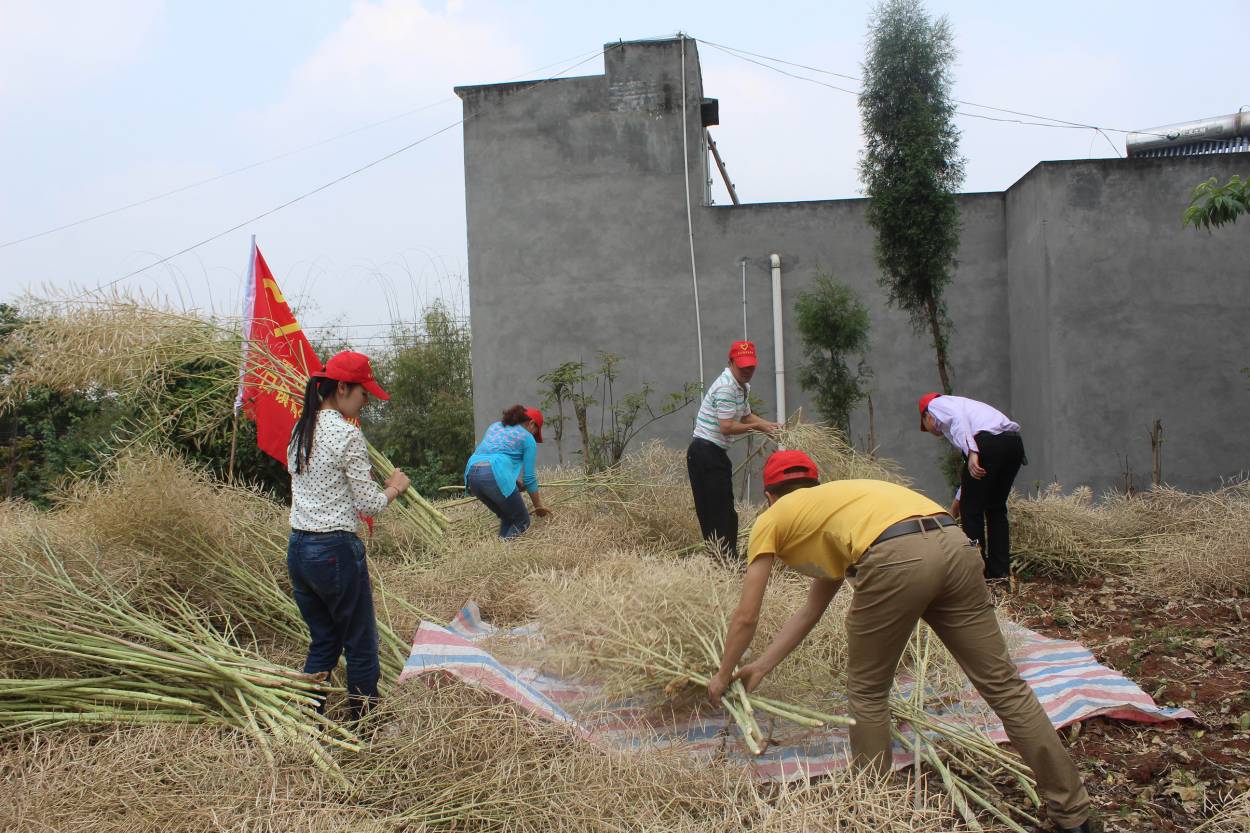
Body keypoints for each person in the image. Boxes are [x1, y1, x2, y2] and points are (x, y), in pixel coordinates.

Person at [707, 450, 1095, 833]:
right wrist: (762, 665)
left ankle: (875, 811)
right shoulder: (843, 504)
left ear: (769, 495)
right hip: (955, 545)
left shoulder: (771, 519)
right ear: (815, 484)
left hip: (896, 558)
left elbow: (746, 616)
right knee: (1006, 687)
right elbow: (810, 610)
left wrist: (723, 675)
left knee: (868, 692)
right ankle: (1073, 813)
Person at [287, 350, 410, 722]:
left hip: (299, 550)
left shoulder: (301, 428)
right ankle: (365, 725)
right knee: (360, 644)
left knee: (324, 640)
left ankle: (312, 719)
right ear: (342, 388)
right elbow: (369, 504)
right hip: (335, 551)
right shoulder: (346, 434)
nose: (366, 400)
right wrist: (395, 487)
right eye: (363, 393)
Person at [687, 340, 781, 560]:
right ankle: (722, 561)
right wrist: (758, 426)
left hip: (715, 453)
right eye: (742, 367)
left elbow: (746, 416)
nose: (748, 371)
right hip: (705, 452)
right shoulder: (727, 387)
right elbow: (727, 426)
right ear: (730, 363)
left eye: (751, 367)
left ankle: (727, 558)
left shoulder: (741, 386)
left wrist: (769, 427)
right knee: (716, 513)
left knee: (726, 512)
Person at [918, 392, 1026, 580]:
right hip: (1012, 444)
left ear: (927, 416)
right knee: (995, 508)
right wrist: (952, 511)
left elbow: (958, 419)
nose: (930, 432)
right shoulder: (969, 411)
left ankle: (977, 574)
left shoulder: (937, 404)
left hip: (988, 444)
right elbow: (969, 484)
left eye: (925, 427)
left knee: (972, 510)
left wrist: (972, 452)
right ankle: (999, 573)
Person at [464, 404, 551, 539]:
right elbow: (529, 478)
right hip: (494, 475)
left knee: (508, 517)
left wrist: (513, 482)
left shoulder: (495, 426)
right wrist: (538, 507)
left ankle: (500, 550)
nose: (534, 436)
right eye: (536, 431)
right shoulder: (527, 438)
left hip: (472, 475)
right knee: (522, 521)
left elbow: (491, 455)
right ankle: (505, 554)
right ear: (531, 424)